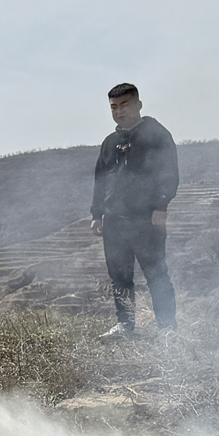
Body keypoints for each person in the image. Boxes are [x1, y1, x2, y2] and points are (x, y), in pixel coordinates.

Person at [90, 83, 179, 338]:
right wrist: (97, 214)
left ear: (138, 104)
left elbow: (169, 172)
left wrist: (162, 205)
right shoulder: (109, 143)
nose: (119, 111)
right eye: (114, 107)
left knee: (156, 275)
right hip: (115, 220)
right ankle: (126, 326)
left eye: (125, 105)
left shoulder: (157, 134)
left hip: (147, 218)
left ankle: (167, 329)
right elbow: (100, 180)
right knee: (119, 276)